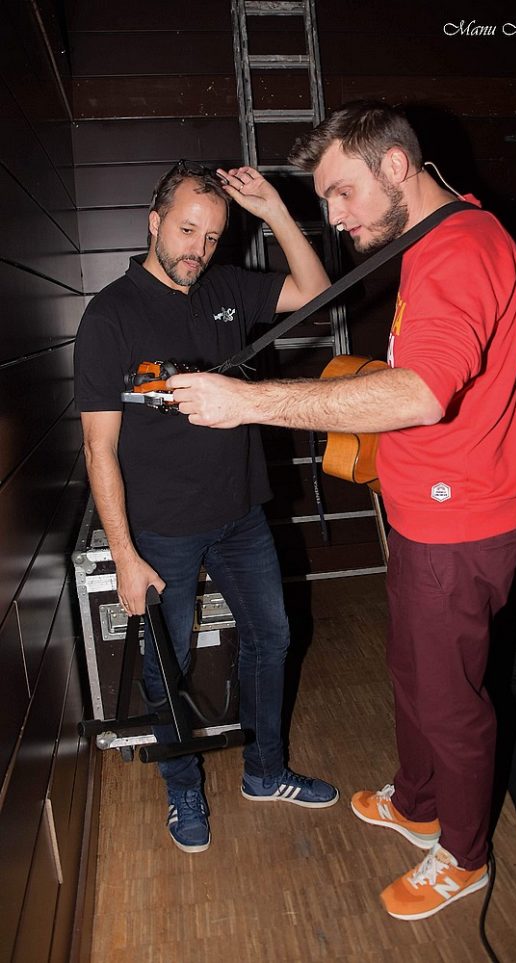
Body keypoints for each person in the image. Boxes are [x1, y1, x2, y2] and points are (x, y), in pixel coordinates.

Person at [166, 102, 516, 919]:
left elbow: (421, 392)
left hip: (460, 525)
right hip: (423, 519)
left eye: (341, 192)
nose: (334, 217)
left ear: (396, 166)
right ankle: (419, 802)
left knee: (451, 704)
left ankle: (465, 856)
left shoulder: (461, 250)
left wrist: (248, 402)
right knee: (413, 676)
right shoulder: (434, 238)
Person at [74, 160, 339, 855]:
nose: (198, 248)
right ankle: (183, 786)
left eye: (213, 236)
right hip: (161, 530)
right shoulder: (110, 315)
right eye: (187, 230)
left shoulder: (225, 287)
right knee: (169, 663)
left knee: (271, 639)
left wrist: (275, 211)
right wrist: (124, 555)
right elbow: (99, 448)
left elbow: (316, 290)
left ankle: (265, 770)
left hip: (241, 514)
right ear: (154, 222)